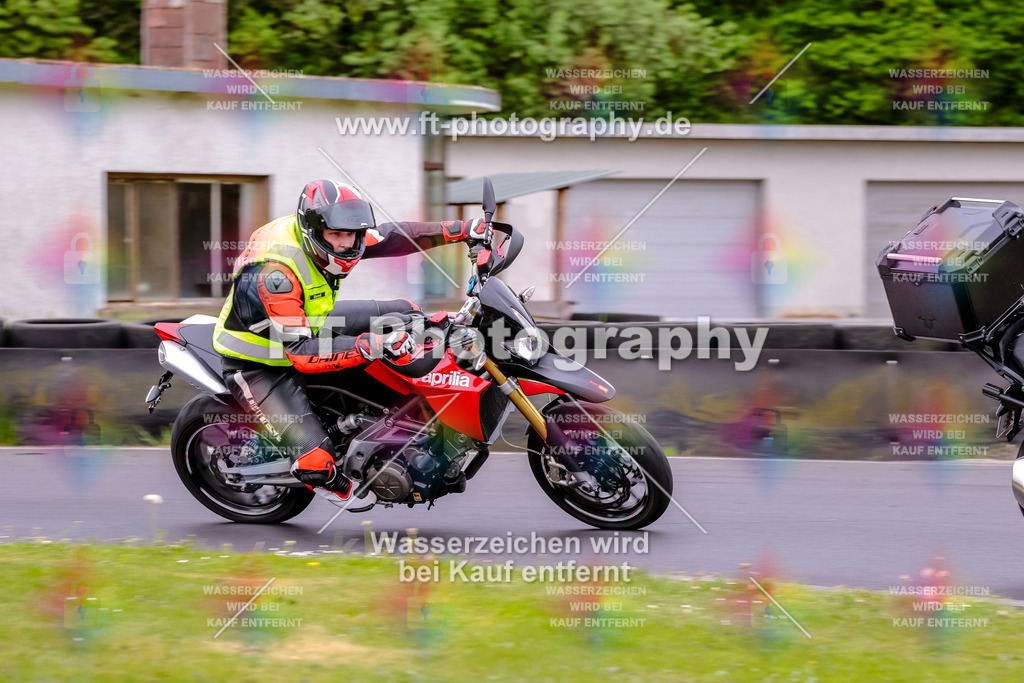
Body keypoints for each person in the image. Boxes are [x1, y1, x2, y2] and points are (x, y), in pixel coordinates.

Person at [213, 179, 489, 500]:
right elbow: (301, 353)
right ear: (313, 232)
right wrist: (371, 344)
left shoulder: (335, 230)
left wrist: (464, 229)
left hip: (308, 325)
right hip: (260, 363)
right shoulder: (273, 273)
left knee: (406, 314)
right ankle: (327, 463)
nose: (347, 244)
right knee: (317, 463)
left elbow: (393, 237)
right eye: (338, 236)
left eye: (353, 235)